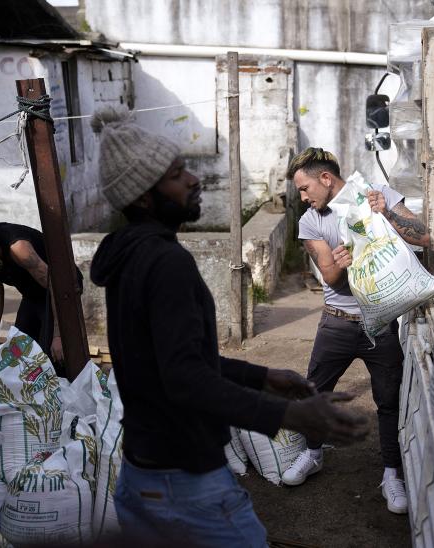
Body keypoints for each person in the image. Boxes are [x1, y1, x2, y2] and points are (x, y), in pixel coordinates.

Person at [88, 107, 369, 547]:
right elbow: (185, 379)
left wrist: (265, 377)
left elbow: (178, 360)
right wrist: (289, 415)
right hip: (187, 482)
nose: (194, 180)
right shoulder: (165, 263)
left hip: (142, 473)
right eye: (178, 174)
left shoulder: (127, 256)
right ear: (144, 196)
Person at [282, 147, 430, 514]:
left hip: (378, 322)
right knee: (315, 391)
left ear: (326, 179)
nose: (303, 197)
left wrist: (388, 212)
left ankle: (391, 475)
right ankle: (313, 453)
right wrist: (342, 260)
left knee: (388, 401)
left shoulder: (376, 194)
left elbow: (422, 237)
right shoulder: (311, 220)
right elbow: (330, 276)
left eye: (304, 189)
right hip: (336, 320)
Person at [0, 211, 81, 372]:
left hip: (61, 290)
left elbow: (55, 287)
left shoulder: (19, 248)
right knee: (19, 350)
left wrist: (58, 335)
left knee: (50, 354)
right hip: (32, 295)